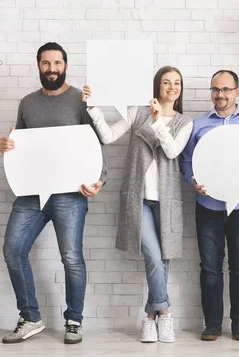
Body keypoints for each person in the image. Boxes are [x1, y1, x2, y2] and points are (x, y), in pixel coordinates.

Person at [0, 42, 107, 345]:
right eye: (46, 63)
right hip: (30, 193)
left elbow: (96, 145)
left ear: (66, 66)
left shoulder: (80, 100)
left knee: (71, 257)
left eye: (57, 63)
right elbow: (17, 143)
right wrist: (6, 146)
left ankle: (74, 320)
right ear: (38, 66)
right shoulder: (27, 103)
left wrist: (100, 181)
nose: (52, 69)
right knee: (12, 250)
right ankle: (31, 317)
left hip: (71, 194)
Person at [82, 66, 193, 343]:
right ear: (157, 86)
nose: (172, 87)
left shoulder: (184, 122)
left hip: (167, 202)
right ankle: (165, 312)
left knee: (163, 258)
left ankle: (150, 317)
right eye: (166, 82)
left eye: (177, 83)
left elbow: (171, 151)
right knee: (154, 257)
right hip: (138, 199)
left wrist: (158, 121)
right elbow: (108, 137)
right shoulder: (137, 111)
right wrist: (93, 108)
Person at [180, 69, 239, 341]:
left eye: (226, 89)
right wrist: (191, 179)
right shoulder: (197, 125)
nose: (220, 95)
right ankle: (212, 324)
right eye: (215, 89)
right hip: (207, 205)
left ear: (237, 91)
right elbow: (186, 161)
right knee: (209, 267)